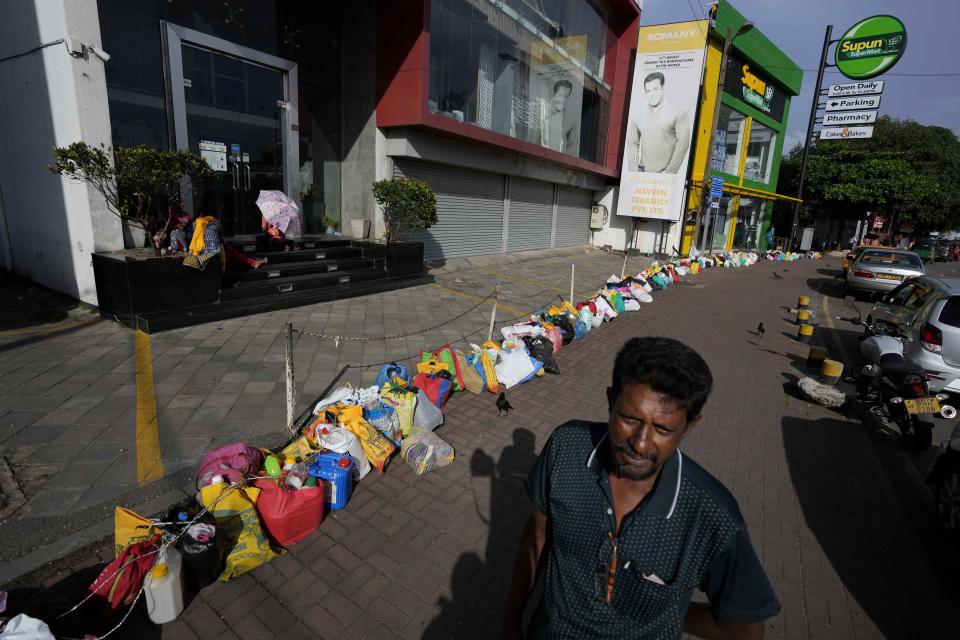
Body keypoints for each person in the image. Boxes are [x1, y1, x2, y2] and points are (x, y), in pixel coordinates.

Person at [503, 337, 779, 640]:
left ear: (689, 427)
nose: (640, 443)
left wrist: (666, 612)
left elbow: (743, 630)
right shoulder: (566, 449)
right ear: (610, 401)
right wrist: (512, 621)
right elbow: (537, 539)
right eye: (629, 418)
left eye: (663, 429)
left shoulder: (713, 517)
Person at [626, 72, 691, 174]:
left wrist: (670, 172)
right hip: (642, 177)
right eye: (648, 91)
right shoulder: (638, 114)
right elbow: (632, 143)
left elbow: (683, 142)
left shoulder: (678, 111)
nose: (652, 94)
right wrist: (634, 170)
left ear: (662, 88)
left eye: (655, 89)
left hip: (666, 177)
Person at [539, 79, 579, 154]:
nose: (563, 99)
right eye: (560, 95)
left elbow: (572, 146)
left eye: (566, 96)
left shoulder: (571, 119)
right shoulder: (543, 111)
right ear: (554, 94)